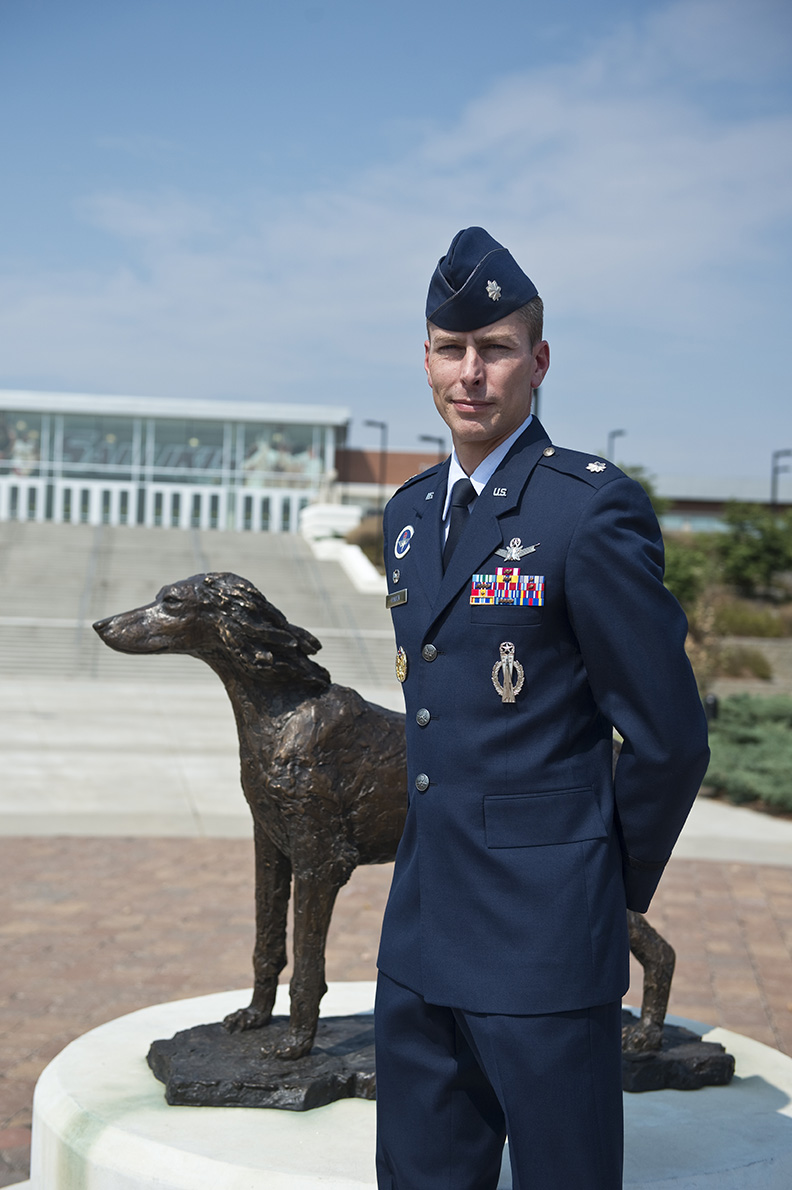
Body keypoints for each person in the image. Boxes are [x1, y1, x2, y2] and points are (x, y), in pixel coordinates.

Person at [374, 227, 710, 1189]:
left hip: (544, 944)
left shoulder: (586, 510)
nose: (470, 374)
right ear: (427, 357)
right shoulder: (407, 516)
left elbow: (668, 737)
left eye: (496, 348)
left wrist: (599, 892)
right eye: (450, 347)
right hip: (421, 931)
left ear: (539, 361)